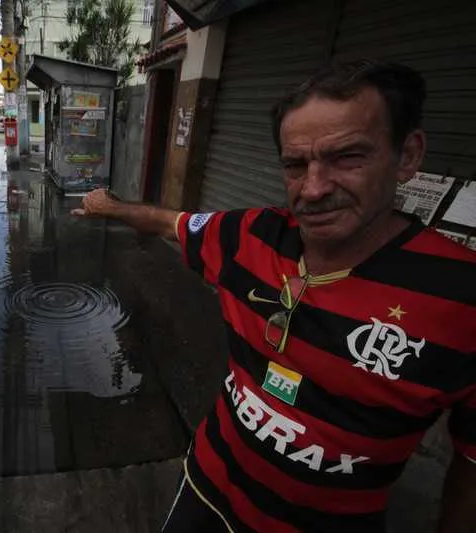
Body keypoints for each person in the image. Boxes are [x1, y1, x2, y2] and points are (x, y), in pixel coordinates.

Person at [73, 59, 476, 533]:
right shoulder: (248, 234)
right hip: (206, 484)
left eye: (348, 157)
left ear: (407, 155)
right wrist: (110, 207)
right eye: (295, 164)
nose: (314, 188)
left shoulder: (461, 297)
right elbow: (169, 222)